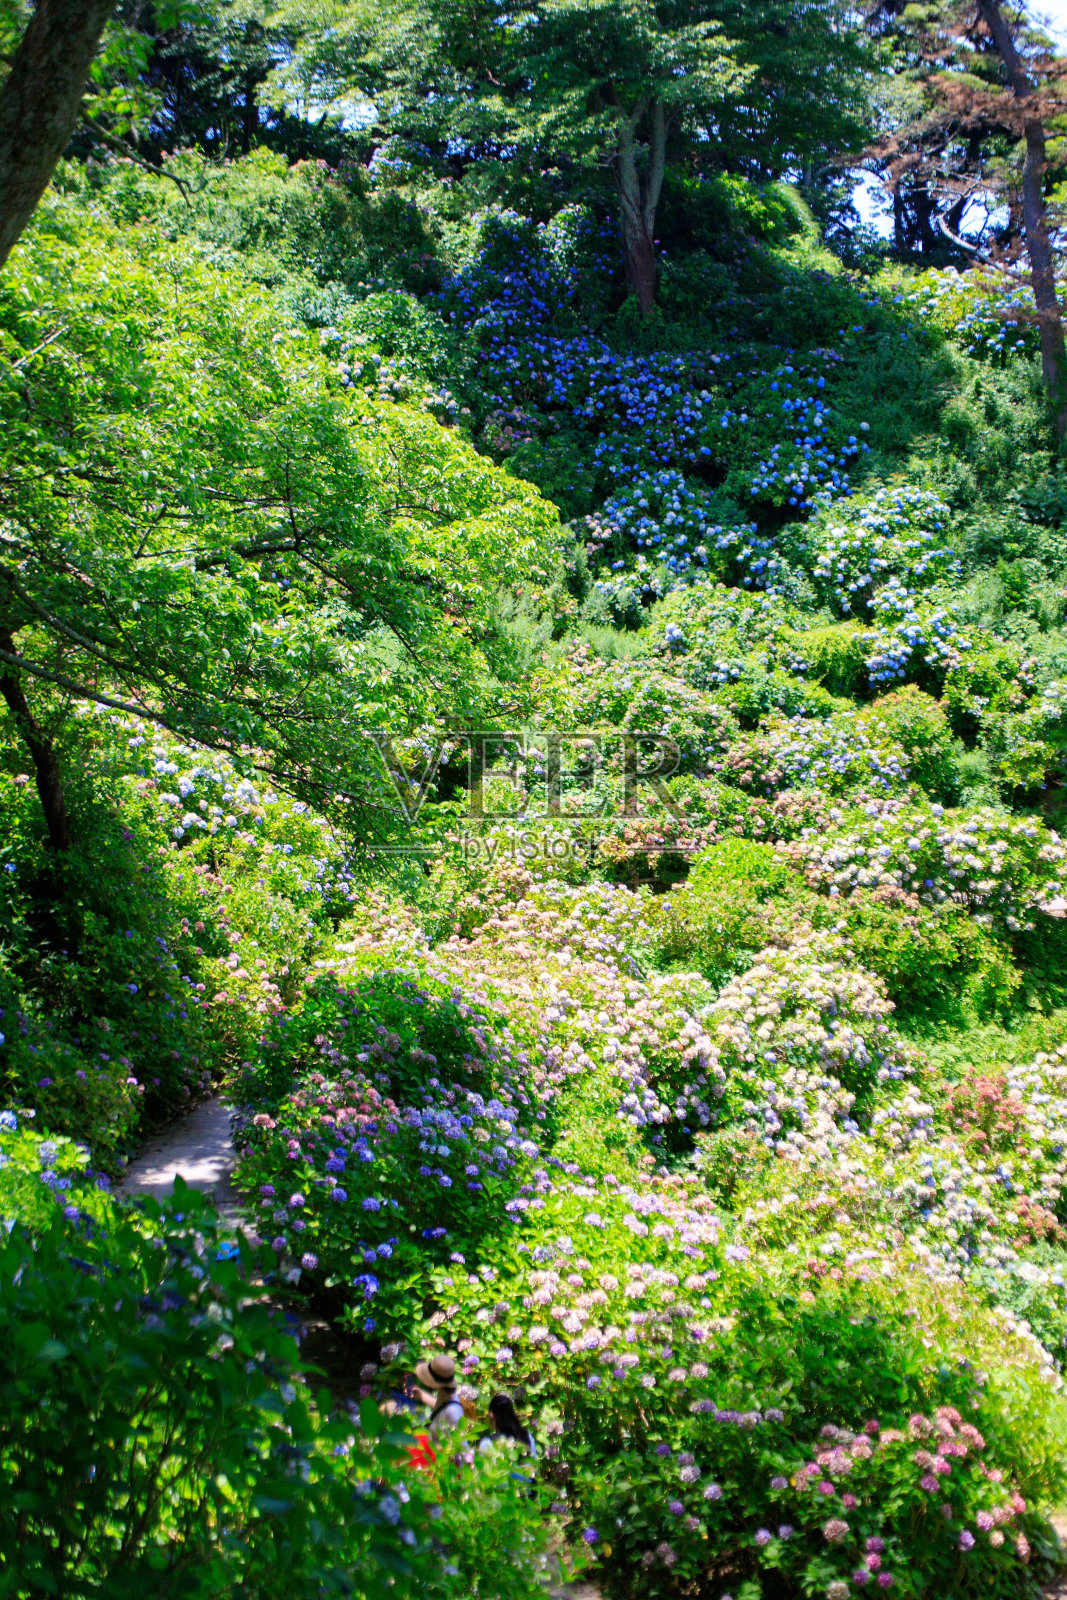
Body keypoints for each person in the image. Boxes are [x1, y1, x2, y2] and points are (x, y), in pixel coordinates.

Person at [479, 1392, 537, 1492]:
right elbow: (533, 1467)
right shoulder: (527, 1437)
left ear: (491, 1415)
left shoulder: (487, 1443)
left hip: (501, 1496)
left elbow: (483, 1475)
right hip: (526, 1495)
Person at [414, 1352, 466, 1435]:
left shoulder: (453, 1412)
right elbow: (442, 1407)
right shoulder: (447, 1395)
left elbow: (461, 1446)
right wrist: (421, 1395)